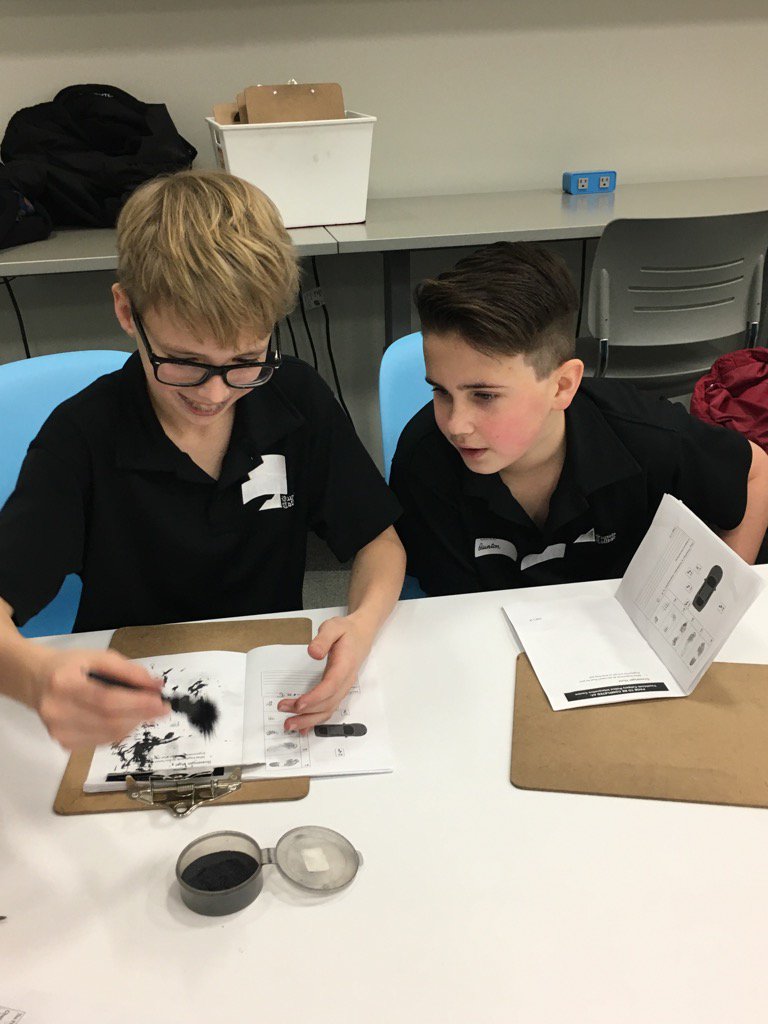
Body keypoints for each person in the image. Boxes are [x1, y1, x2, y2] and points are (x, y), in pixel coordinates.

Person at [0, 170, 405, 749]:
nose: (214, 394)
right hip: (133, 702)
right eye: (183, 362)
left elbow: (378, 540)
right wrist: (37, 678)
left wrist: (361, 625)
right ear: (126, 309)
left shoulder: (296, 398)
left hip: (267, 688)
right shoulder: (82, 435)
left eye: (245, 359)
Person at [390, 241, 768, 596]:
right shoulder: (423, 461)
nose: (456, 424)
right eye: (440, 391)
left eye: (484, 396)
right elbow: (449, 611)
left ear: (562, 386)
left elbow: (757, 474)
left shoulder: (643, 436)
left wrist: (710, 604)